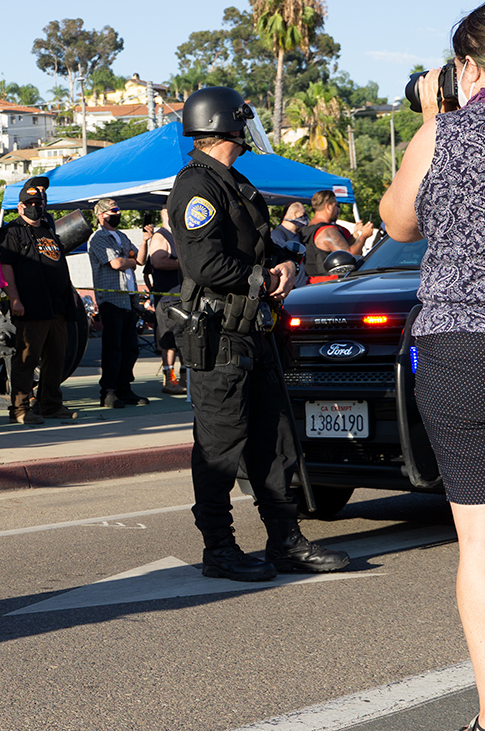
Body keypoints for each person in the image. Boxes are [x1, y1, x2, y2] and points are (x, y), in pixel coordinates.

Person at [379, 0, 485, 731]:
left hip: (461, 347)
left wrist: (432, 118)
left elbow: (399, 223)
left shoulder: (444, 133)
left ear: (467, 65)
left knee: (483, 540)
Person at [168, 85, 348, 583]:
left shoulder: (233, 181)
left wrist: (285, 264)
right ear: (227, 123)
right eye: (243, 120)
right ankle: (220, 549)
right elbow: (203, 263)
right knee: (220, 447)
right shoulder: (196, 186)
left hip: (255, 334)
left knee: (275, 442)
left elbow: (259, 246)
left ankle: (285, 541)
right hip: (220, 337)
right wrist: (261, 278)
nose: (250, 129)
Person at [0, 176, 78, 423]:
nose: (35, 206)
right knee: (26, 358)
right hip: (31, 305)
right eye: (29, 202)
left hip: (57, 306)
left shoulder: (48, 230)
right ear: (20, 206)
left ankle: (51, 405)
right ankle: (20, 410)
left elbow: (59, 264)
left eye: (38, 202)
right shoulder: (11, 231)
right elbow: (6, 267)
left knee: (55, 357)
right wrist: (15, 299)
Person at [88, 197, 146, 408]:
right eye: (113, 211)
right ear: (101, 215)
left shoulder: (121, 236)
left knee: (130, 347)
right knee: (113, 347)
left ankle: (124, 388)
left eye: (118, 210)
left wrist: (145, 240)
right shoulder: (98, 238)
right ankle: (109, 391)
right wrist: (129, 261)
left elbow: (139, 259)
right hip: (112, 299)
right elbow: (116, 263)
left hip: (129, 298)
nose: (118, 213)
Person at [142, 207, 186, 395]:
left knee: (184, 340)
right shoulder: (161, 237)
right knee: (169, 341)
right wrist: (184, 264)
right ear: (166, 213)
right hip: (168, 299)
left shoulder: (177, 235)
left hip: (182, 297)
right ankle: (170, 380)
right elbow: (158, 261)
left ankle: (185, 377)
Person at [301, 189, 373, 283]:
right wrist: (364, 236)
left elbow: (339, 247)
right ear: (328, 206)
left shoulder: (308, 229)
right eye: (336, 205)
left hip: (312, 282)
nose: (337, 209)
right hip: (330, 283)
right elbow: (349, 256)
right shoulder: (328, 231)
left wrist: (354, 236)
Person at [268, 203, 310, 291]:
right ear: (295, 214)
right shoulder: (277, 235)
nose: (305, 217)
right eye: (303, 214)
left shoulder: (299, 235)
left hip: (303, 287)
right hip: (292, 289)